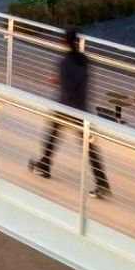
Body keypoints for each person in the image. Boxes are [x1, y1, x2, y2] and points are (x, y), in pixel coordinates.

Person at [28, 26, 112, 199]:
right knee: (87, 147)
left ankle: (45, 166)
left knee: (52, 136)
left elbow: (66, 85)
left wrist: (57, 81)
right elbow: (79, 82)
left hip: (66, 106)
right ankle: (101, 183)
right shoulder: (85, 60)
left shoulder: (63, 62)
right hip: (82, 108)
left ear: (63, 41)